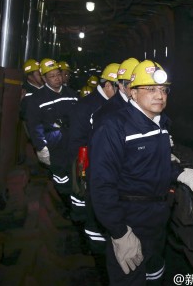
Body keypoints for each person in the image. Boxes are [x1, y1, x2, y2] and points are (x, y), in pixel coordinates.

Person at [89, 60, 193, 285]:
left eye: (163, 90)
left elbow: (154, 163)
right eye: (150, 89)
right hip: (130, 218)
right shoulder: (114, 126)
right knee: (130, 277)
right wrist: (119, 232)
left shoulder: (160, 123)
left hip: (157, 215)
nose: (159, 95)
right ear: (132, 93)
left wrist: (179, 173)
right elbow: (101, 184)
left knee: (154, 272)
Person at [68, 62, 120, 254]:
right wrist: (82, 170)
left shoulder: (114, 104)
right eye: (120, 86)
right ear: (108, 86)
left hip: (103, 168)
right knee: (85, 207)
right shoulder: (87, 106)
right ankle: (88, 247)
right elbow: (75, 142)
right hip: (87, 165)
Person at [26, 58, 78, 214]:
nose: (57, 79)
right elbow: (34, 126)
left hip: (73, 143)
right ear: (43, 78)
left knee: (77, 178)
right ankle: (68, 206)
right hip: (54, 146)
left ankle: (77, 209)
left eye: (58, 74)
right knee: (62, 180)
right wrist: (41, 147)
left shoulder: (72, 94)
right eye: (52, 76)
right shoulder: (37, 99)